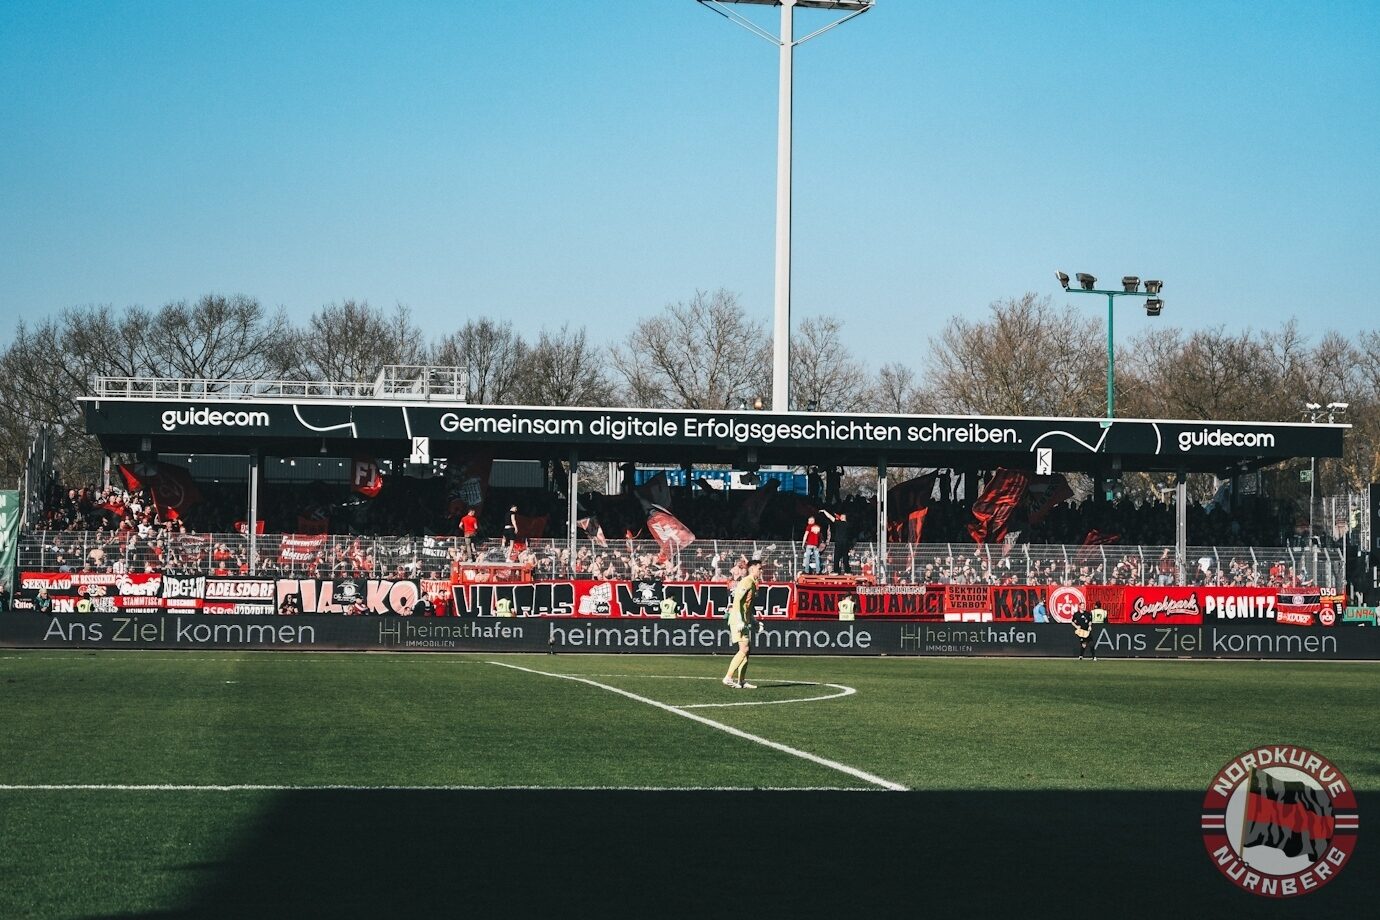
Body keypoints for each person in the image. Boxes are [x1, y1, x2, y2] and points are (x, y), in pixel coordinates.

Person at [722, 558, 762, 689]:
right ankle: (728, 677)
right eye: (759, 568)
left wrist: (754, 621)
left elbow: (747, 605)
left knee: (747, 650)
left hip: (744, 620)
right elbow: (738, 600)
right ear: (752, 569)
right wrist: (739, 619)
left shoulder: (754, 583)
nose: (761, 570)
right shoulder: (747, 581)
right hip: (737, 619)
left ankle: (741, 681)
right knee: (744, 649)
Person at [820, 510, 854, 575]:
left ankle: (836, 571)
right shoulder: (848, 524)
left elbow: (830, 517)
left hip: (838, 542)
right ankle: (847, 571)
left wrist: (824, 511)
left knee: (837, 557)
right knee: (845, 557)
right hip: (845, 542)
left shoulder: (838, 523)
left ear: (843, 517)